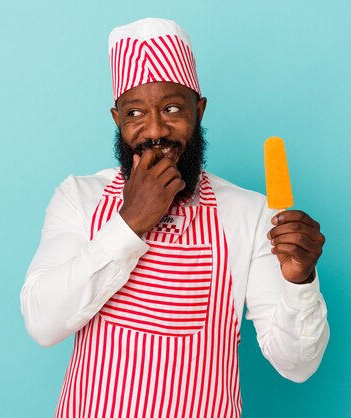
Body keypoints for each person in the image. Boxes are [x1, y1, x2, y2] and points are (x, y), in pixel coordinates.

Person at [20, 17, 329, 418]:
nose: (154, 130)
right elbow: (43, 324)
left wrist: (299, 281)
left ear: (198, 111)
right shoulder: (79, 197)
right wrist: (129, 223)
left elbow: (298, 365)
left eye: (171, 108)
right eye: (135, 113)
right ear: (117, 119)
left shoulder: (250, 213)